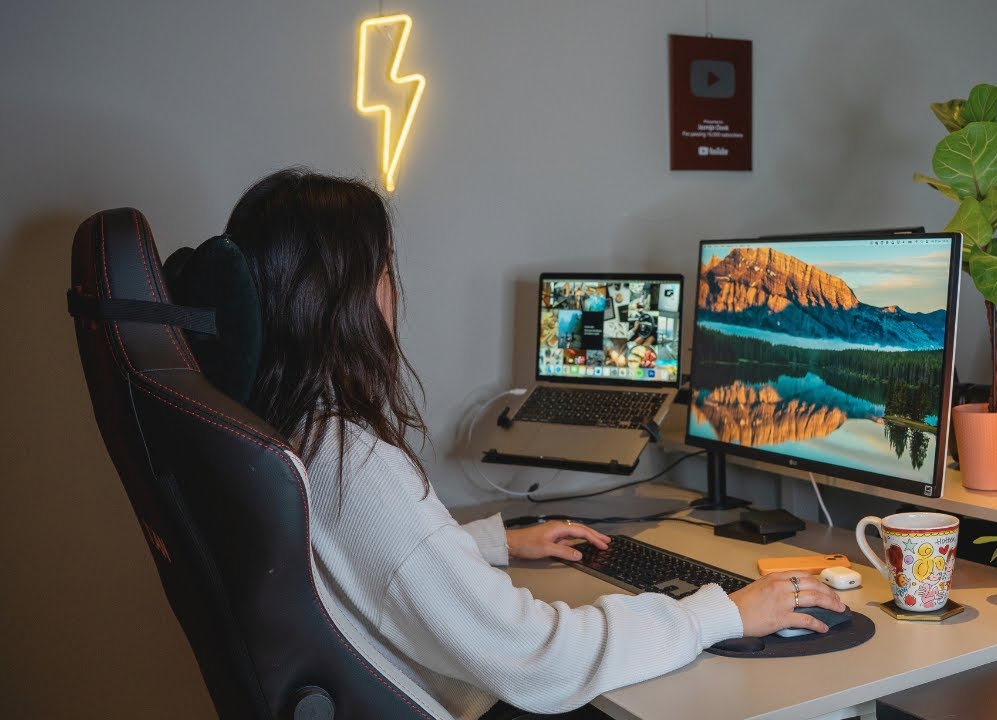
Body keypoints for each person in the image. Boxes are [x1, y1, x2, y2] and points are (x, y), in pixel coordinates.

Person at [224, 169, 845, 720]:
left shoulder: (294, 435)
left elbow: (377, 555)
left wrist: (494, 542)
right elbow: (540, 658)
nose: (393, 293)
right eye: (384, 272)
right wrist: (723, 613)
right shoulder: (353, 463)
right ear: (343, 301)